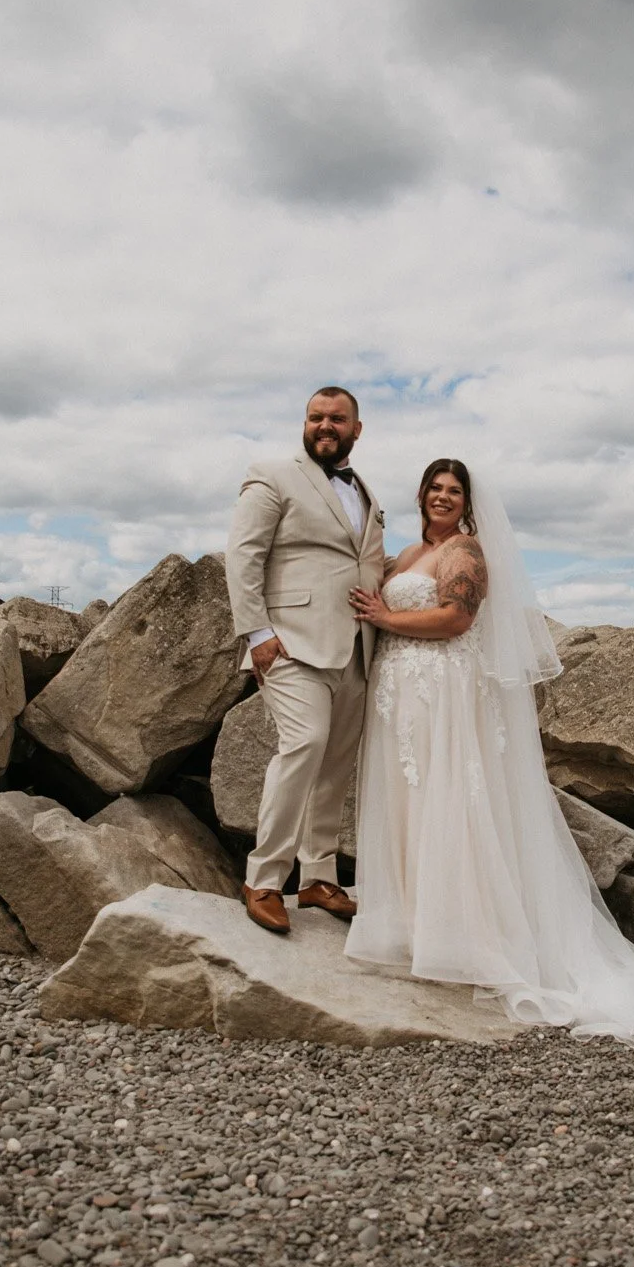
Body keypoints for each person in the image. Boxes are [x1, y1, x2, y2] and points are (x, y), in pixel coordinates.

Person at [345, 459, 634, 1043]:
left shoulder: (466, 552)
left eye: (454, 491)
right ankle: (417, 922)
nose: (443, 497)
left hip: (444, 694)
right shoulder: (404, 556)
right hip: (401, 693)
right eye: (435, 488)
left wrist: (386, 616)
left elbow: (456, 618)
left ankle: (468, 936)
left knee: (449, 800)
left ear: (467, 501)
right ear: (421, 494)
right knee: (410, 801)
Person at [225, 387, 386, 934]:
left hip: (358, 648)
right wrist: (257, 633)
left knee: (337, 766)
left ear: (356, 429)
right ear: (304, 423)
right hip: (289, 641)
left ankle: (319, 878)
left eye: (337, 419)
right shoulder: (272, 474)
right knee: (304, 743)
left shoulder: (364, 489)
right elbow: (244, 555)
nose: (325, 426)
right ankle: (263, 878)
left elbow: (366, 559)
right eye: (316, 417)